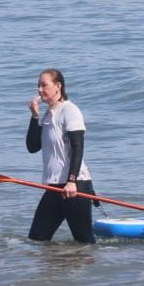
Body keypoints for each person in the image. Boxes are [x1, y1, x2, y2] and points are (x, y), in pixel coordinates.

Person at [26, 69, 97, 244]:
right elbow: (32, 147)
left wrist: (72, 181)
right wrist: (34, 117)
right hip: (55, 188)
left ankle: (93, 269)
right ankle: (56, 268)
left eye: (44, 85)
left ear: (58, 86)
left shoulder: (70, 110)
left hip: (75, 187)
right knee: (37, 239)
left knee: (84, 243)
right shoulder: (47, 115)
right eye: (38, 86)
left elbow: (78, 146)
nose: (40, 90)